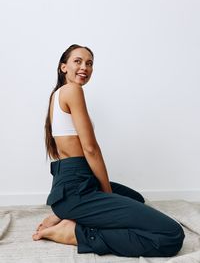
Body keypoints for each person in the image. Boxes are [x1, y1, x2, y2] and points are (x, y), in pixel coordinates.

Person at [32, 44, 185, 257]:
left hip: (72, 185)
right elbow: (90, 148)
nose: (84, 67)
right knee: (171, 235)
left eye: (89, 63)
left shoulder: (57, 94)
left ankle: (67, 214)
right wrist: (106, 192)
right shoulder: (72, 90)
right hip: (77, 188)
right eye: (78, 61)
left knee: (135, 199)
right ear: (63, 67)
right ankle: (76, 233)